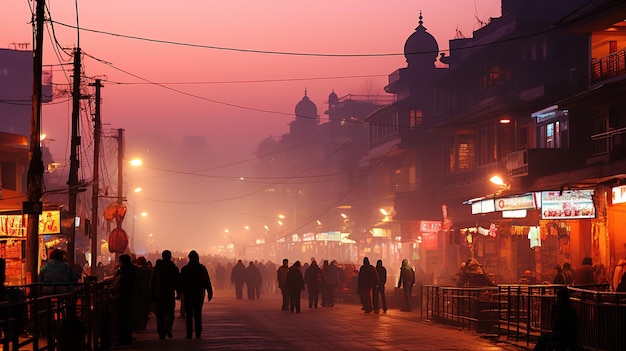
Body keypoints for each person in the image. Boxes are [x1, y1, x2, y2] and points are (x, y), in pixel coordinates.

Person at [180, 250, 213, 339]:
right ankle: (198, 332)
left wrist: (179, 293)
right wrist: (210, 291)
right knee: (198, 313)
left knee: (189, 314)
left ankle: (189, 333)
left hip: (188, 294)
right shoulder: (202, 268)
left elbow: (181, 283)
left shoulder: (185, 269)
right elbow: (207, 280)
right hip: (199, 294)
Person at [150, 250, 180, 340]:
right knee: (170, 313)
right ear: (170, 257)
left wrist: (151, 294)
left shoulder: (157, 268)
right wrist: (178, 293)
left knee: (160, 315)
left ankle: (161, 332)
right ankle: (168, 327)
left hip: (159, 293)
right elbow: (177, 282)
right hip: (169, 293)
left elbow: (152, 282)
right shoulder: (173, 268)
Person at [112, 254, 136, 346]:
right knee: (123, 320)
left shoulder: (127, 272)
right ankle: (124, 338)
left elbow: (127, 286)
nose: (119, 263)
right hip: (124, 299)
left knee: (122, 320)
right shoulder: (125, 271)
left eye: (120, 261)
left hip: (124, 299)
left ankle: (123, 339)